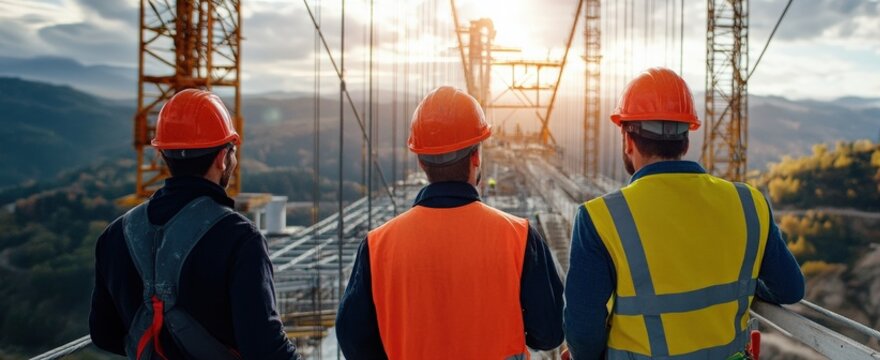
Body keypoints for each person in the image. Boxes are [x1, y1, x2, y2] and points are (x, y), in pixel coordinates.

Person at [564, 68, 805, 359]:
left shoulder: (599, 218)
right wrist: (746, 283)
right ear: (686, 140)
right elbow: (790, 290)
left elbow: (583, 334)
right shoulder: (749, 202)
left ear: (628, 140)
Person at [335, 86, 564, 359]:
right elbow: (549, 333)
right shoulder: (520, 237)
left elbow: (352, 338)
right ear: (476, 156)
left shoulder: (377, 246)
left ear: (421, 162)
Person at [90, 89, 299, 359]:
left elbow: (103, 333)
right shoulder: (240, 238)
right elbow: (265, 349)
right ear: (223, 158)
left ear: (163, 154)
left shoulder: (115, 234)